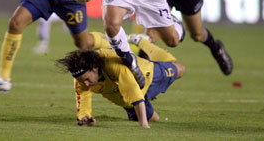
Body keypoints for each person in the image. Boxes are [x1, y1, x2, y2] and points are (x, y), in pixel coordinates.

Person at [56, 33, 185, 128]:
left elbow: (132, 89)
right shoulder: (81, 78)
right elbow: (83, 100)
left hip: (148, 76)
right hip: (125, 98)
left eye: (87, 79)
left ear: (95, 67)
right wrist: (85, 117)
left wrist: (143, 124)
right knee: (154, 119)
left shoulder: (112, 64)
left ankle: (143, 43)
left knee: (180, 69)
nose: (86, 84)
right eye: (81, 81)